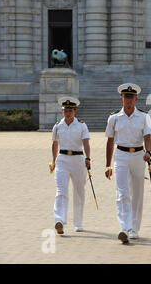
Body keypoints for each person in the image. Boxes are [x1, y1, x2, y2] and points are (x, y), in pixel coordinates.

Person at [105, 83, 151, 244]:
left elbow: (147, 137)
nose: (128, 100)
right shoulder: (114, 118)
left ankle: (134, 228)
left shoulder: (144, 116)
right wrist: (108, 165)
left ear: (136, 99)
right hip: (121, 155)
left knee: (137, 194)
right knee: (122, 192)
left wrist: (148, 152)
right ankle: (124, 227)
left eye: (131, 97)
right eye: (126, 97)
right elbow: (110, 141)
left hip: (139, 156)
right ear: (121, 99)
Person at [51, 96, 91, 235]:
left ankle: (78, 222)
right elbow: (55, 144)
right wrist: (53, 161)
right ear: (62, 111)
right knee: (61, 191)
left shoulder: (81, 125)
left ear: (75, 111)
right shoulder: (57, 126)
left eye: (71, 110)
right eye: (66, 110)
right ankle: (59, 220)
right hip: (62, 160)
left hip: (78, 159)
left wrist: (88, 158)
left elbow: (86, 143)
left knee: (79, 191)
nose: (68, 112)